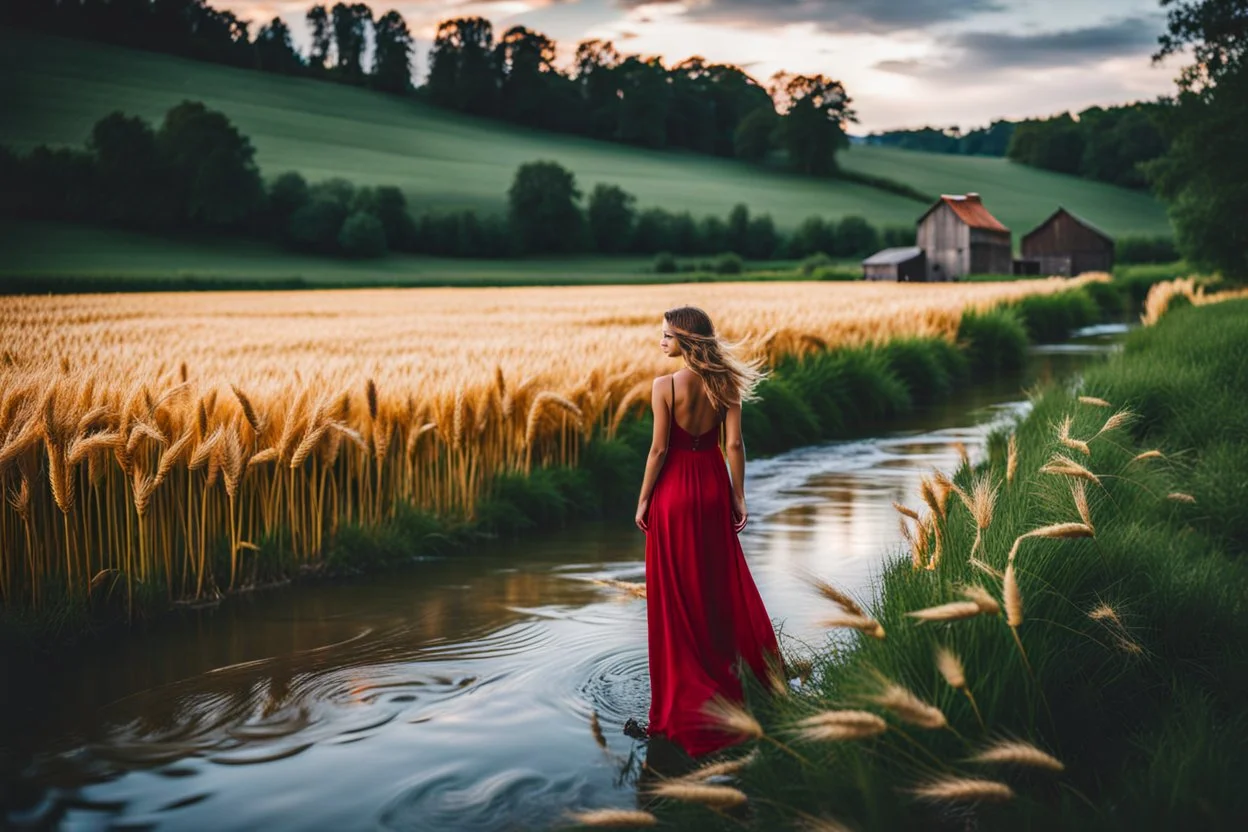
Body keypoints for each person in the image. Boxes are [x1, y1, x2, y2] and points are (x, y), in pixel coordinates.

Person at [624, 306, 781, 757]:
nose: (661, 341)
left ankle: (685, 693)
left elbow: (657, 451)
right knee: (714, 588)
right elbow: (733, 444)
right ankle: (734, 681)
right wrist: (738, 495)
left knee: (677, 596)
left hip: (673, 497)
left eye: (667, 335)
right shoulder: (725, 384)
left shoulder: (664, 387)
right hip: (712, 491)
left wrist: (642, 500)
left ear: (687, 340)